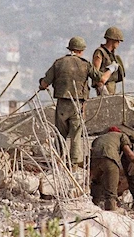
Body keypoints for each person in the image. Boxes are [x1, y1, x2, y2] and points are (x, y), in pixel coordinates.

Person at [39, 37, 118, 166]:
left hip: (62, 105)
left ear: (70, 48)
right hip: (78, 105)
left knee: (59, 135)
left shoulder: (59, 63)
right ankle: (74, 165)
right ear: (81, 50)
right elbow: (101, 80)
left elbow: (44, 84)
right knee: (76, 136)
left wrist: (41, 84)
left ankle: (56, 163)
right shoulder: (85, 64)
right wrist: (111, 69)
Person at [90, 126, 134, 211]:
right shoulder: (122, 136)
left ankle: (94, 207)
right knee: (111, 193)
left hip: (94, 160)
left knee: (96, 183)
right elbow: (129, 153)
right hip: (109, 157)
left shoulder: (99, 138)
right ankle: (111, 213)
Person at [92, 26, 125, 96]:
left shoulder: (111, 55)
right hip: (103, 90)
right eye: (117, 41)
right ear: (112, 40)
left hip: (111, 89)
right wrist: (103, 91)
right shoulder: (100, 53)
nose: (119, 43)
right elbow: (95, 75)